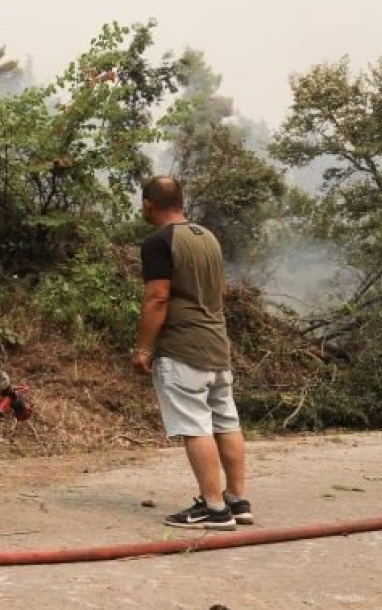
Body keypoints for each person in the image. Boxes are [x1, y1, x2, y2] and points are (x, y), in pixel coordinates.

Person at [132, 176, 252, 530]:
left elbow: (157, 298)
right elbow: (220, 290)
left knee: (196, 426)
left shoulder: (159, 242)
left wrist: (143, 348)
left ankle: (213, 509)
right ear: (180, 202)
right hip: (217, 344)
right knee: (226, 422)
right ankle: (237, 500)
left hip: (183, 349)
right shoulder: (207, 237)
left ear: (150, 204)